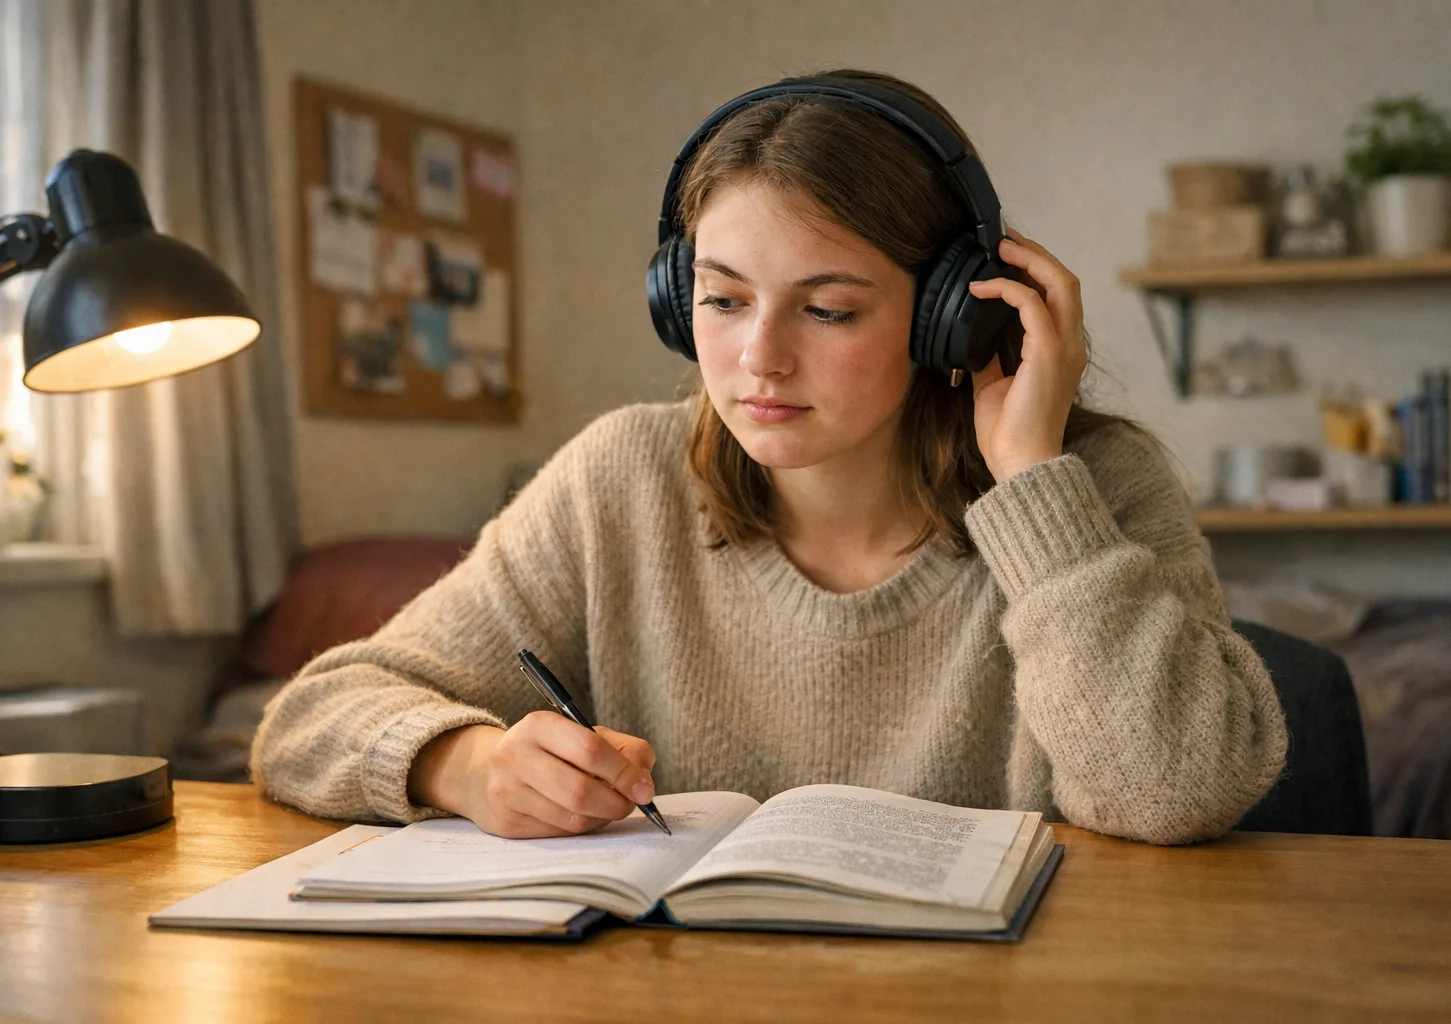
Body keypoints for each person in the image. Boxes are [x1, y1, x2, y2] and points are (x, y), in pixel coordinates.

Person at [251, 70, 1285, 846]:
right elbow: (309, 718)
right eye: (722, 299)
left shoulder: (1089, 483)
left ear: (950, 318)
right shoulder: (619, 479)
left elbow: (1176, 792)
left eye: (828, 308)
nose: (759, 360)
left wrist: (1031, 482)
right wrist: (462, 762)